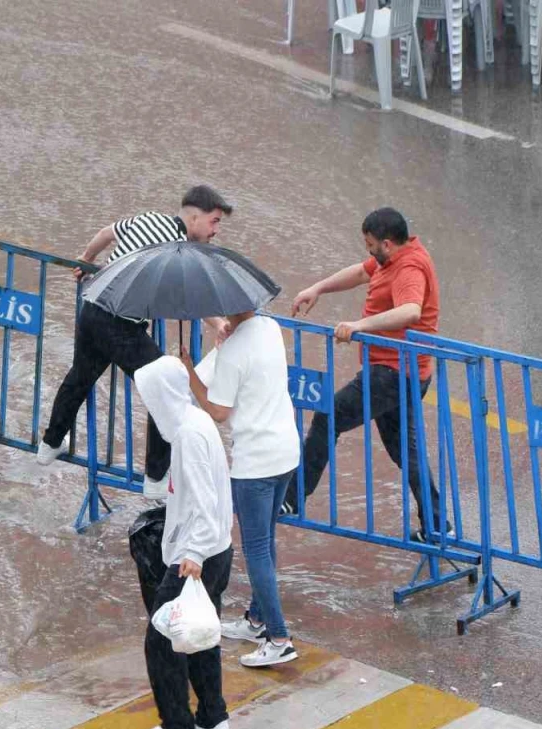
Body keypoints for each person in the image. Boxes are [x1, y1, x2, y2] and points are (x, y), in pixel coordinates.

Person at [36, 186, 234, 499]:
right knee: (166, 386)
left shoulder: (147, 219)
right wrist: (220, 323)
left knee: (80, 377)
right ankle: (156, 477)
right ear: (194, 216)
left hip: (92, 307)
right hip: (120, 325)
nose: (216, 230)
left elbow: (105, 233)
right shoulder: (179, 249)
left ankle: (50, 443)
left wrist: (87, 258)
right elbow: (188, 298)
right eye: (214, 221)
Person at [284, 207, 448, 542]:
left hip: (392, 373)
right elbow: (360, 273)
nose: (368, 251)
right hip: (402, 372)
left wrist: (358, 326)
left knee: (327, 416)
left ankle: (292, 499)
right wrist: (318, 288)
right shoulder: (395, 256)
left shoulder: (410, 267)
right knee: (407, 450)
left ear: (387, 244)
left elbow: (410, 310)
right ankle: (435, 525)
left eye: (370, 244)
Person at [182, 310, 301, 668]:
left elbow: (218, 410)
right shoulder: (271, 327)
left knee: (256, 550)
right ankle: (256, 620)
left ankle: (279, 638)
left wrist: (189, 371)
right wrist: (226, 340)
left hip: (256, 464)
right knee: (266, 540)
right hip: (286, 452)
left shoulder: (232, 351)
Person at [132, 356, 234, 729]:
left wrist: (190, 554)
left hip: (197, 556)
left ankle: (177, 726)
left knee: (162, 637)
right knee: (201, 635)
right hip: (215, 550)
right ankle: (212, 717)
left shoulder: (189, 436)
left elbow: (204, 502)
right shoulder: (195, 423)